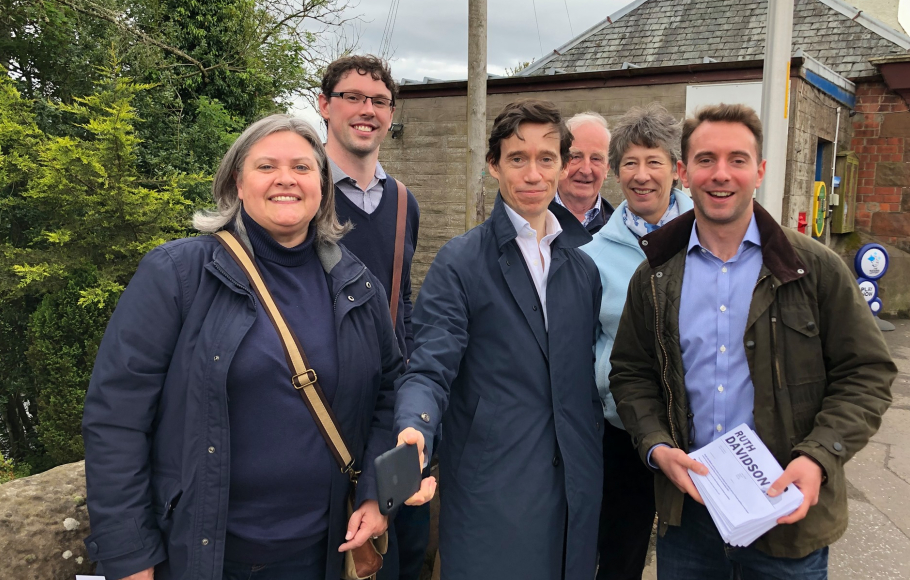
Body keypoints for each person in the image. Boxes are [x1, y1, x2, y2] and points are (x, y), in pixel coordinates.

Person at [82, 115, 402, 580]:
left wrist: (376, 493)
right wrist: (130, 555)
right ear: (238, 181)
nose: (286, 180)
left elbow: (390, 393)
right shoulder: (177, 274)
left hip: (321, 554)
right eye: (266, 166)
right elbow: (116, 420)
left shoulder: (353, 282)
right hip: (203, 556)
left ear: (322, 185)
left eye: (302, 167)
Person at [608, 103, 897, 579]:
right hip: (690, 517)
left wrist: (819, 456)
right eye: (706, 160)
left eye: (737, 160)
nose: (721, 174)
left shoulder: (815, 269)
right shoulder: (655, 276)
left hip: (784, 515)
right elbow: (631, 374)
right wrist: (656, 446)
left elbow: (867, 372)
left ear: (760, 171)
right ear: (684, 171)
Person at [394, 99, 604, 580]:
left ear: (563, 166)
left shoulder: (583, 269)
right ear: (494, 166)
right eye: (517, 158)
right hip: (494, 488)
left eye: (546, 158)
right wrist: (415, 426)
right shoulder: (460, 263)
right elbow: (429, 365)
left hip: (575, 486)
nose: (532, 174)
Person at [318, 55, 427, 580]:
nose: (367, 110)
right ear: (324, 105)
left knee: (395, 554)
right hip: (316, 405)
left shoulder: (405, 201)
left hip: (384, 405)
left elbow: (400, 303)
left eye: (379, 101)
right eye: (353, 98)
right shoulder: (300, 193)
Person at [579, 103, 692, 580]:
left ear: (677, 170)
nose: (641, 175)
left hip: (696, 433)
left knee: (692, 556)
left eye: (654, 162)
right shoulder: (592, 256)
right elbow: (583, 347)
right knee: (619, 555)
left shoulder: (709, 238)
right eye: (629, 162)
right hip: (621, 433)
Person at [555, 112, 614, 234]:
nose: (586, 170)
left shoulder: (618, 231)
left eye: (596, 159)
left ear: (607, 168)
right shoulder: (532, 220)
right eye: (576, 157)